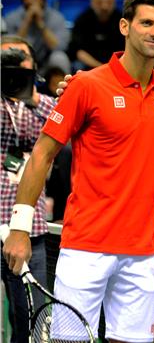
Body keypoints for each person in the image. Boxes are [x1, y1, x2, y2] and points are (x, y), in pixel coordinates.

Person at [2, 0, 154, 342]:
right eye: (146, 22)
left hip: (142, 252)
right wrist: (19, 228)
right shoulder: (86, 85)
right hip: (85, 247)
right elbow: (42, 155)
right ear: (125, 27)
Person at [1, 34, 56, 343]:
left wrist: (30, 97)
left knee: (32, 320)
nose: (12, 67)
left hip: (28, 230)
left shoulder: (44, 106)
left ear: (34, 67)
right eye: (4, 60)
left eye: (19, 60)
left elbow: (67, 128)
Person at [4, 0, 71, 77]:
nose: (30, 1)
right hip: (23, 61)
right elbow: (11, 48)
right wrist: (26, 22)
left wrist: (40, 23)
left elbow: (60, 47)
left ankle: (61, 91)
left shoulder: (56, 17)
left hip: (47, 64)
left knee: (59, 57)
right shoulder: (12, 17)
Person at [67, 0, 124, 71]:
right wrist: (101, 68)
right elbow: (77, 51)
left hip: (117, 66)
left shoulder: (122, 21)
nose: (104, 7)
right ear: (92, 2)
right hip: (90, 66)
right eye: (100, 2)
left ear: (114, 2)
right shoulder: (82, 20)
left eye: (109, 2)